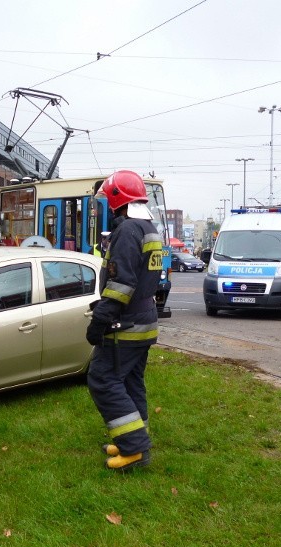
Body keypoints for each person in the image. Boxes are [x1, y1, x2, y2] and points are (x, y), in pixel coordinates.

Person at [86, 170, 163, 471]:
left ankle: (133, 449)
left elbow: (121, 284)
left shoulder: (127, 230)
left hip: (127, 324)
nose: (104, 204)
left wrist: (100, 320)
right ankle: (136, 439)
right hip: (145, 320)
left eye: (106, 198)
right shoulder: (147, 227)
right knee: (131, 382)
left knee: (102, 379)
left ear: (117, 198)